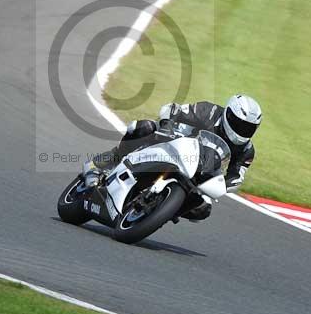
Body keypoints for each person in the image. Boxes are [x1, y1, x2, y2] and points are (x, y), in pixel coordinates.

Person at [83, 94, 262, 221]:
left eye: (248, 128)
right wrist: (166, 127)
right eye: (239, 124)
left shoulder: (246, 150)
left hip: (198, 174)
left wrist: (222, 184)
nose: (242, 131)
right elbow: (172, 109)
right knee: (144, 127)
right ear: (228, 114)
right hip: (173, 145)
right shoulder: (209, 111)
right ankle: (102, 164)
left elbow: (237, 176)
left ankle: (161, 211)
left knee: (203, 209)